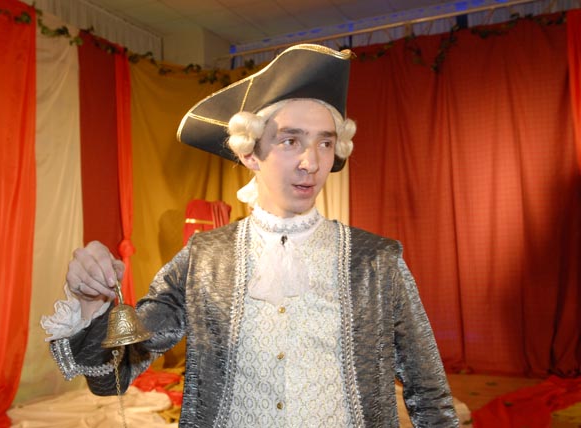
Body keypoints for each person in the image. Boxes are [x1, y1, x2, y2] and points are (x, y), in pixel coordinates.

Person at [42, 43, 459, 427]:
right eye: (290, 141)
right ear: (249, 153)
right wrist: (91, 304)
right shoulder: (204, 258)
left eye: (324, 143)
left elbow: (429, 394)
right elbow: (111, 378)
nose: (311, 163)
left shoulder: (376, 261)